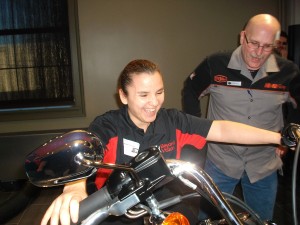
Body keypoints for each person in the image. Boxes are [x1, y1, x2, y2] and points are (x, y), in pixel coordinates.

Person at [41, 59, 296, 225]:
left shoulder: (173, 121)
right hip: (117, 214)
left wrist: (277, 137)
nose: (154, 102)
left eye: (159, 92)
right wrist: (73, 188)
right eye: (143, 94)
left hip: (170, 208)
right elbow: (86, 149)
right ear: (123, 96)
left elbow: (222, 128)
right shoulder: (108, 125)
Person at [182, 14, 300, 221]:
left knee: (261, 219)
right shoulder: (215, 64)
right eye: (254, 43)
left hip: (263, 164)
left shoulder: (288, 71)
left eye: (267, 46)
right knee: (209, 219)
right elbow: (190, 90)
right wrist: (198, 133)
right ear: (242, 36)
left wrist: (289, 131)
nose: (258, 53)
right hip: (221, 160)